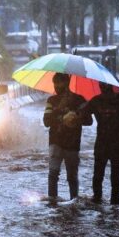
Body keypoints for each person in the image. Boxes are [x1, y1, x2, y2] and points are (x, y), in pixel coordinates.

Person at [43, 72, 93, 201]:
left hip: (72, 143)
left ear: (66, 83)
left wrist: (76, 116)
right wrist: (60, 112)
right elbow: (46, 121)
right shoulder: (52, 100)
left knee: (72, 176)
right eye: (55, 83)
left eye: (59, 83)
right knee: (53, 174)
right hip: (55, 142)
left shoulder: (79, 100)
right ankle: (52, 201)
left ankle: (74, 201)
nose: (56, 86)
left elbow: (89, 120)